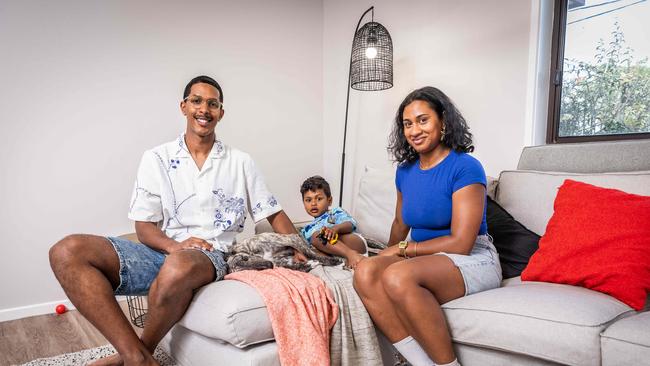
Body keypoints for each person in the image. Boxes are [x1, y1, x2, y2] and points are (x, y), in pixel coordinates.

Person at [48, 75, 296, 366]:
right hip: (163, 252)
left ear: (221, 113)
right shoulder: (157, 158)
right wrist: (172, 246)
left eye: (213, 104)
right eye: (197, 101)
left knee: (180, 264)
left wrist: (301, 248)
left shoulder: (240, 161)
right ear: (184, 106)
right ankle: (136, 357)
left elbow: (272, 211)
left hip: (211, 255)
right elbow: (144, 225)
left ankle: (135, 355)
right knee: (67, 251)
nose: (204, 109)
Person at [353, 87, 502, 366]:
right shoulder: (405, 170)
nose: (414, 130)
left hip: (471, 258)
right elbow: (400, 222)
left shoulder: (465, 167)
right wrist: (386, 254)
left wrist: (402, 250)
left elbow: (461, 243)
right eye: (407, 124)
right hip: (424, 259)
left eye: (423, 120)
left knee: (398, 276)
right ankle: (420, 363)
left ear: (443, 120)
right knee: (366, 272)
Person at [299, 175, 367, 269]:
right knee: (315, 241)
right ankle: (344, 260)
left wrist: (335, 229)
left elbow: (350, 224)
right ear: (303, 203)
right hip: (334, 255)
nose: (313, 203)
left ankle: (351, 254)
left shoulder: (334, 213)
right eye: (308, 200)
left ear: (329, 200)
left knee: (319, 235)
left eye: (319, 199)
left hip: (353, 244)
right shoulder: (306, 229)